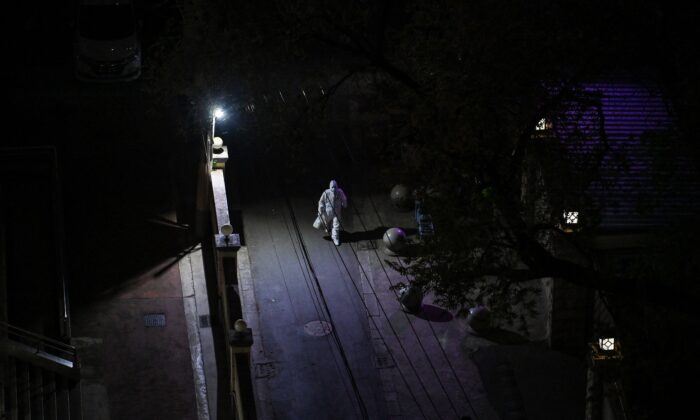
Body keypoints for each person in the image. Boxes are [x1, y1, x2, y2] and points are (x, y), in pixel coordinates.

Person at [314, 180, 348, 246]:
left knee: (336, 225)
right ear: (330, 187)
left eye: (335, 187)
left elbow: (344, 199)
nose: (333, 189)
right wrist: (320, 209)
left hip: (337, 211)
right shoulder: (326, 193)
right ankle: (327, 227)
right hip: (328, 211)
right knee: (323, 221)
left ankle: (335, 237)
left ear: (337, 187)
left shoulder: (340, 192)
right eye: (332, 187)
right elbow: (321, 202)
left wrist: (344, 204)